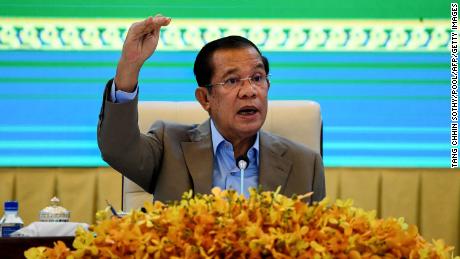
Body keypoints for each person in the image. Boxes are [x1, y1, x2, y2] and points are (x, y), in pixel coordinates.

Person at [97, 15, 325, 203]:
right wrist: (129, 65)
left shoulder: (305, 164)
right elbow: (117, 148)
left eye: (257, 78)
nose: (249, 91)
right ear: (205, 98)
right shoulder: (170, 148)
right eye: (232, 81)